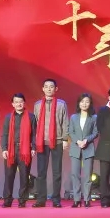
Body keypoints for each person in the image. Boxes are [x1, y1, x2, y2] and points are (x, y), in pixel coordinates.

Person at [32, 79, 69, 208]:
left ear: (56, 89)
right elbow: (35, 123)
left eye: (51, 87)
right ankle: (41, 200)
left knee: (57, 172)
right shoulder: (37, 105)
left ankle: (56, 200)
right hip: (41, 142)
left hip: (57, 141)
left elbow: (65, 122)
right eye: (46, 86)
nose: (49, 89)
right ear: (43, 88)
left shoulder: (61, 104)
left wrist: (65, 139)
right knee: (41, 172)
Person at [0, 92, 36, 208]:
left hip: (25, 150)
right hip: (11, 150)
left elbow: (34, 134)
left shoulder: (31, 117)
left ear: (24, 103)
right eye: (16, 102)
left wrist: (33, 147)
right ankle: (7, 200)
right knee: (9, 176)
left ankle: (22, 201)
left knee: (24, 176)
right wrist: (4, 149)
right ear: (13, 104)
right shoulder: (8, 117)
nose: (18, 104)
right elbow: (5, 134)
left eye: (21, 102)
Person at [67, 93, 98, 208]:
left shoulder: (94, 117)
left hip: (88, 148)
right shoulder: (73, 117)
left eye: (87, 102)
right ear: (79, 103)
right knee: (75, 174)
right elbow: (70, 131)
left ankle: (87, 199)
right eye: (82, 101)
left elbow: (96, 132)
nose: (84, 104)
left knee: (88, 175)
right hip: (75, 148)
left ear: (90, 104)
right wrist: (77, 141)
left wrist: (86, 140)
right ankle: (76, 199)